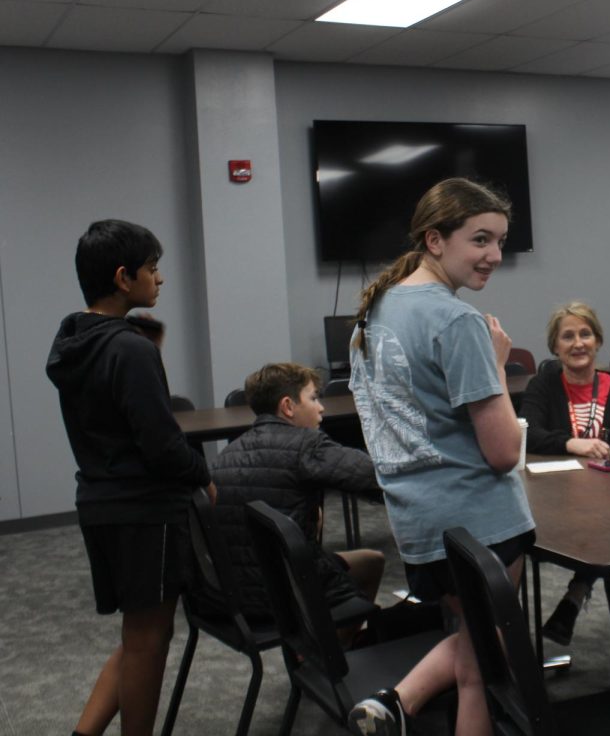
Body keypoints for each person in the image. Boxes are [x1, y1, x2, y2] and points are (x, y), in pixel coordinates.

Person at [346, 178, 534, 736]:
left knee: (473, 641)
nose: (494, 256)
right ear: (434, 240)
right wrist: (499, 368)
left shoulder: (374, 311)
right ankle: (403, 703)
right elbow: (503, 452)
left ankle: (398, 703)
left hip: (420, 524)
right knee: (482, 669)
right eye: (480, 240)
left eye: (500, 241)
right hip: (482, 523)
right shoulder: (458, 321)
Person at [46, 219, 215, 736]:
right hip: (144, 509)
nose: (159, 279)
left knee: (137, 633)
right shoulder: (130, 348)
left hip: (99, 502)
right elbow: (162, 445)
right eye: (153, 268)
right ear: (124, 278)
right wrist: (202, 474)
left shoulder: (75, 339)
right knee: (148, 638)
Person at [518, 301, 610, 682]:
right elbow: (528, 435)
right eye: (568, 336)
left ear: (598, 341)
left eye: (585, 334)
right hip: (557, 500)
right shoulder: (543, 386)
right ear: (555, 346)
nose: (578, 343)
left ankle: (583, 601)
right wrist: (571, 444)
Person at [207, 362, 385, 644]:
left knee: (370, 561)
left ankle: (318, 654)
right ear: (288, 406)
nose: (321, 408)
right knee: (372, 565)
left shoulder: (226, 455)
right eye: (314, 398)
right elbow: (376, 477)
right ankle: (329, 661)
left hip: (235, 597)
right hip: (287, 594)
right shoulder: (306, 446)